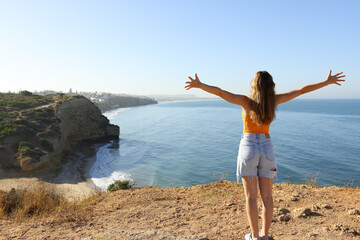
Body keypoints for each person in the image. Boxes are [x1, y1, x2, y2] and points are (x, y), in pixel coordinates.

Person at [185, 70, 345, 240]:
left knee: (250, 197)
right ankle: (265, 236)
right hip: (267, 147)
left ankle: (254, 237)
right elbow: (300, 91)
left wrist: (200, 85)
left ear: (254, 85)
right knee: (267, 196)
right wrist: (326, 82)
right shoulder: (273, 101)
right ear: (271, 86)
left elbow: (220, 92)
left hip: (248, 147)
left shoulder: (245, 101)